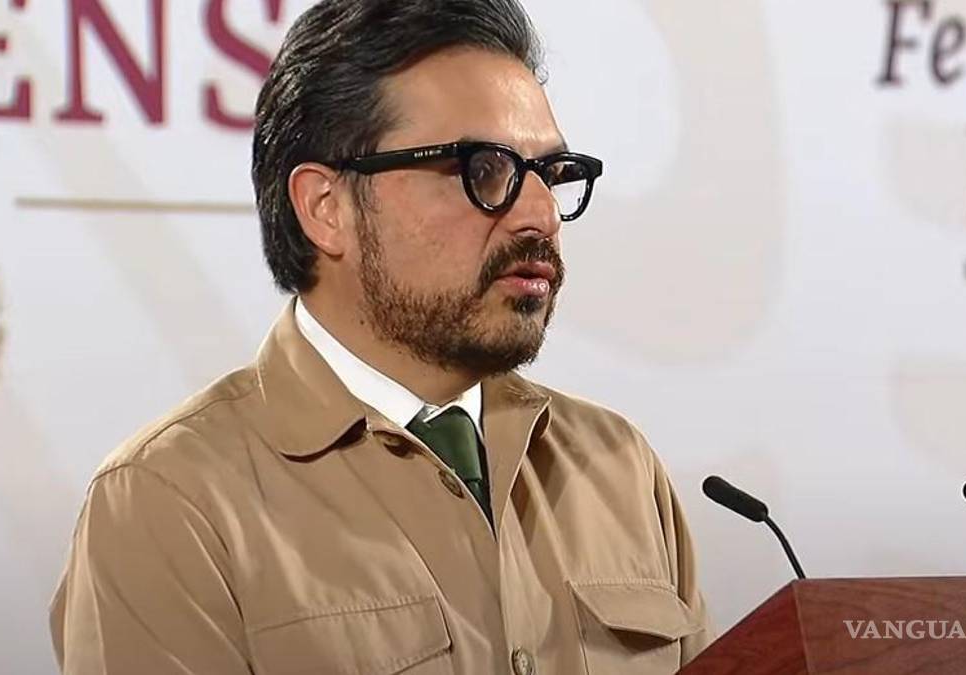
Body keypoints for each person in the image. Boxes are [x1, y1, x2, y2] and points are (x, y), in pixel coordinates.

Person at [49, 1, 711, 672]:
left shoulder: (618, 467)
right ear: (326, 208)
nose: (540, 215)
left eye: (553, 174)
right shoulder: (171, 501)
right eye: (482, 169)